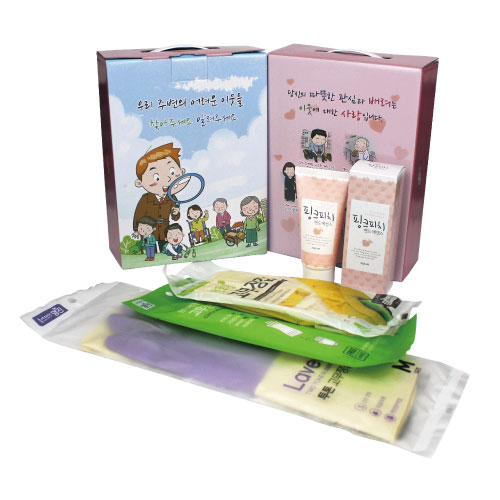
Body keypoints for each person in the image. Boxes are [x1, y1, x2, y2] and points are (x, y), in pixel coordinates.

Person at [132, 143, 189, 252]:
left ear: (181, 172)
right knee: (150, 250)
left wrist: (176, 213)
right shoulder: (145, 198)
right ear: (140, 183)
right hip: (148, 230)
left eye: (172, 172)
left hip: (165, 229)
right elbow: (138, 215)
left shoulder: (172, 196)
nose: (167, 179)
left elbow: (175, 217)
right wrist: (136, 229)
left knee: (165, 249)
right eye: (156, 177)